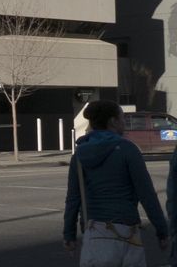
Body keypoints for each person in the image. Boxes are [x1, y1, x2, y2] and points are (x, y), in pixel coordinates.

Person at [63, 100, 168, 264]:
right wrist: (162, 230)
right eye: (122, 118)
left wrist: (69, 235)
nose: (124, 122)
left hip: (95, 232)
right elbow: (147, 194)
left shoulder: (79, 156)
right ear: (112, 121)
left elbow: (73, 199)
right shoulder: (128, 150)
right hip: (127, 232)